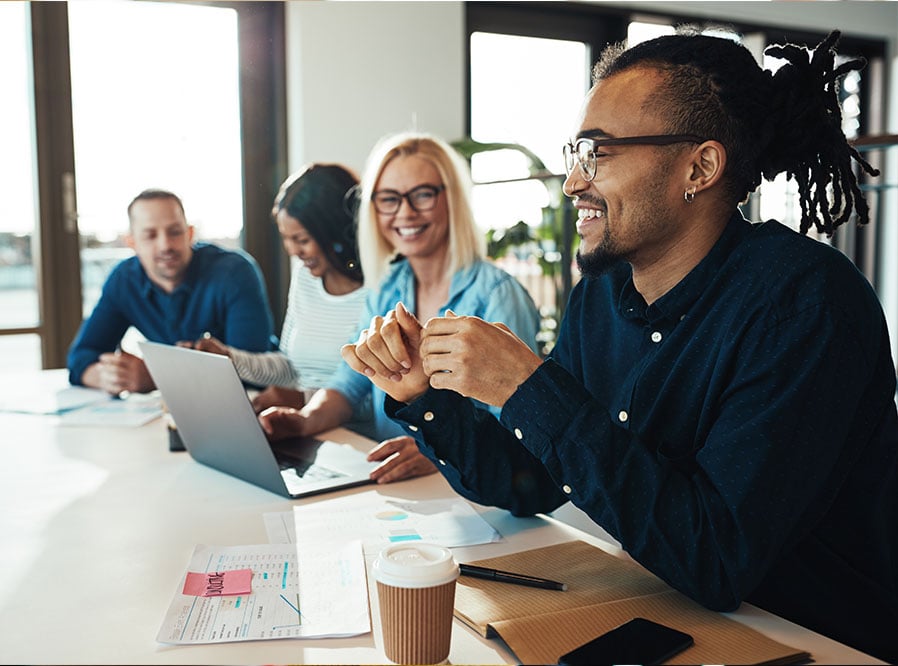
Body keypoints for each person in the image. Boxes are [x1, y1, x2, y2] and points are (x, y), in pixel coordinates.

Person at [340, 30, 898, 661]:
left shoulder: (806, 304)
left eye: (598, 152)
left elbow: (718, 558)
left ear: (699, 168)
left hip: (816, 639)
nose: (574, 179)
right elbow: (531, 484)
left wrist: (528, 388)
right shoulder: (602, 295)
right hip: (663, 609)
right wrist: (424, 396)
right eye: (576, 151)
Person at [259, 131, 542, 484]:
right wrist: (305, 419)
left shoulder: (498, 295)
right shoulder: (387, 287)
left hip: (472, 489)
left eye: (422, 195)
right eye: (389, 199)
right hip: (392, 482)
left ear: (451, 199)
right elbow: (350, 382)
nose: (405, 213)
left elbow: (519, 424)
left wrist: (436, 448)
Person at [192, 164, 371, 418]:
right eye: (286, 239)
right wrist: (229, 358)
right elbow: (290, 368)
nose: (293, 251)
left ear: (337, 232)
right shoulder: (306, 277)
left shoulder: (382, 291)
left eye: (302, 240)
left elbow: (384, 403)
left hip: (353, 439)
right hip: (304, 428)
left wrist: (303, 400)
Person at [67, 189, 275, 395]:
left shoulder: (234, 273)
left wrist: (158, 377)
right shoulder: (124, 280)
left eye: (175, 232)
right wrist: (108, 376)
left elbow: (252, 373)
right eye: (150, 235)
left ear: (190, 234)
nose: (165, 245)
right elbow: (79, 359)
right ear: (132, 243)